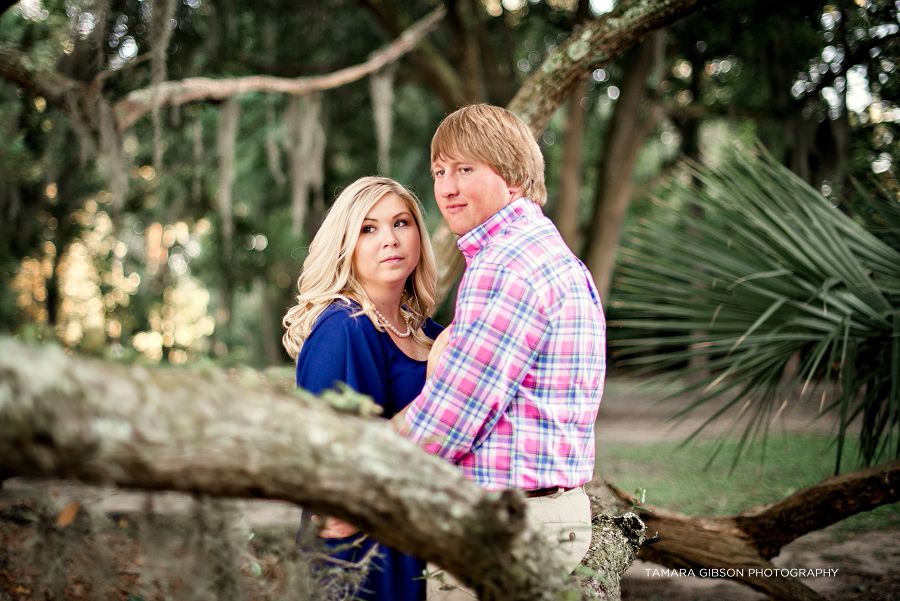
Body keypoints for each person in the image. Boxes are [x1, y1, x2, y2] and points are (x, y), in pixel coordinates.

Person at [399, 104, 606, 599]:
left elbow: (450, 422)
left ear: (512, 179)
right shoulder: (555, 257)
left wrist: (360, 469)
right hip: (548, 515)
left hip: (503, 527)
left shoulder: (507, 263)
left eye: (464, 170)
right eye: (439, 172)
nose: (446, 188)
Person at [282, 176, 442, 601]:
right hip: (360, 552)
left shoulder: (428, 332)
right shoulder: (343, 329)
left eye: (401, 223)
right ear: (345, 244)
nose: (389, 239)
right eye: (368, 228)